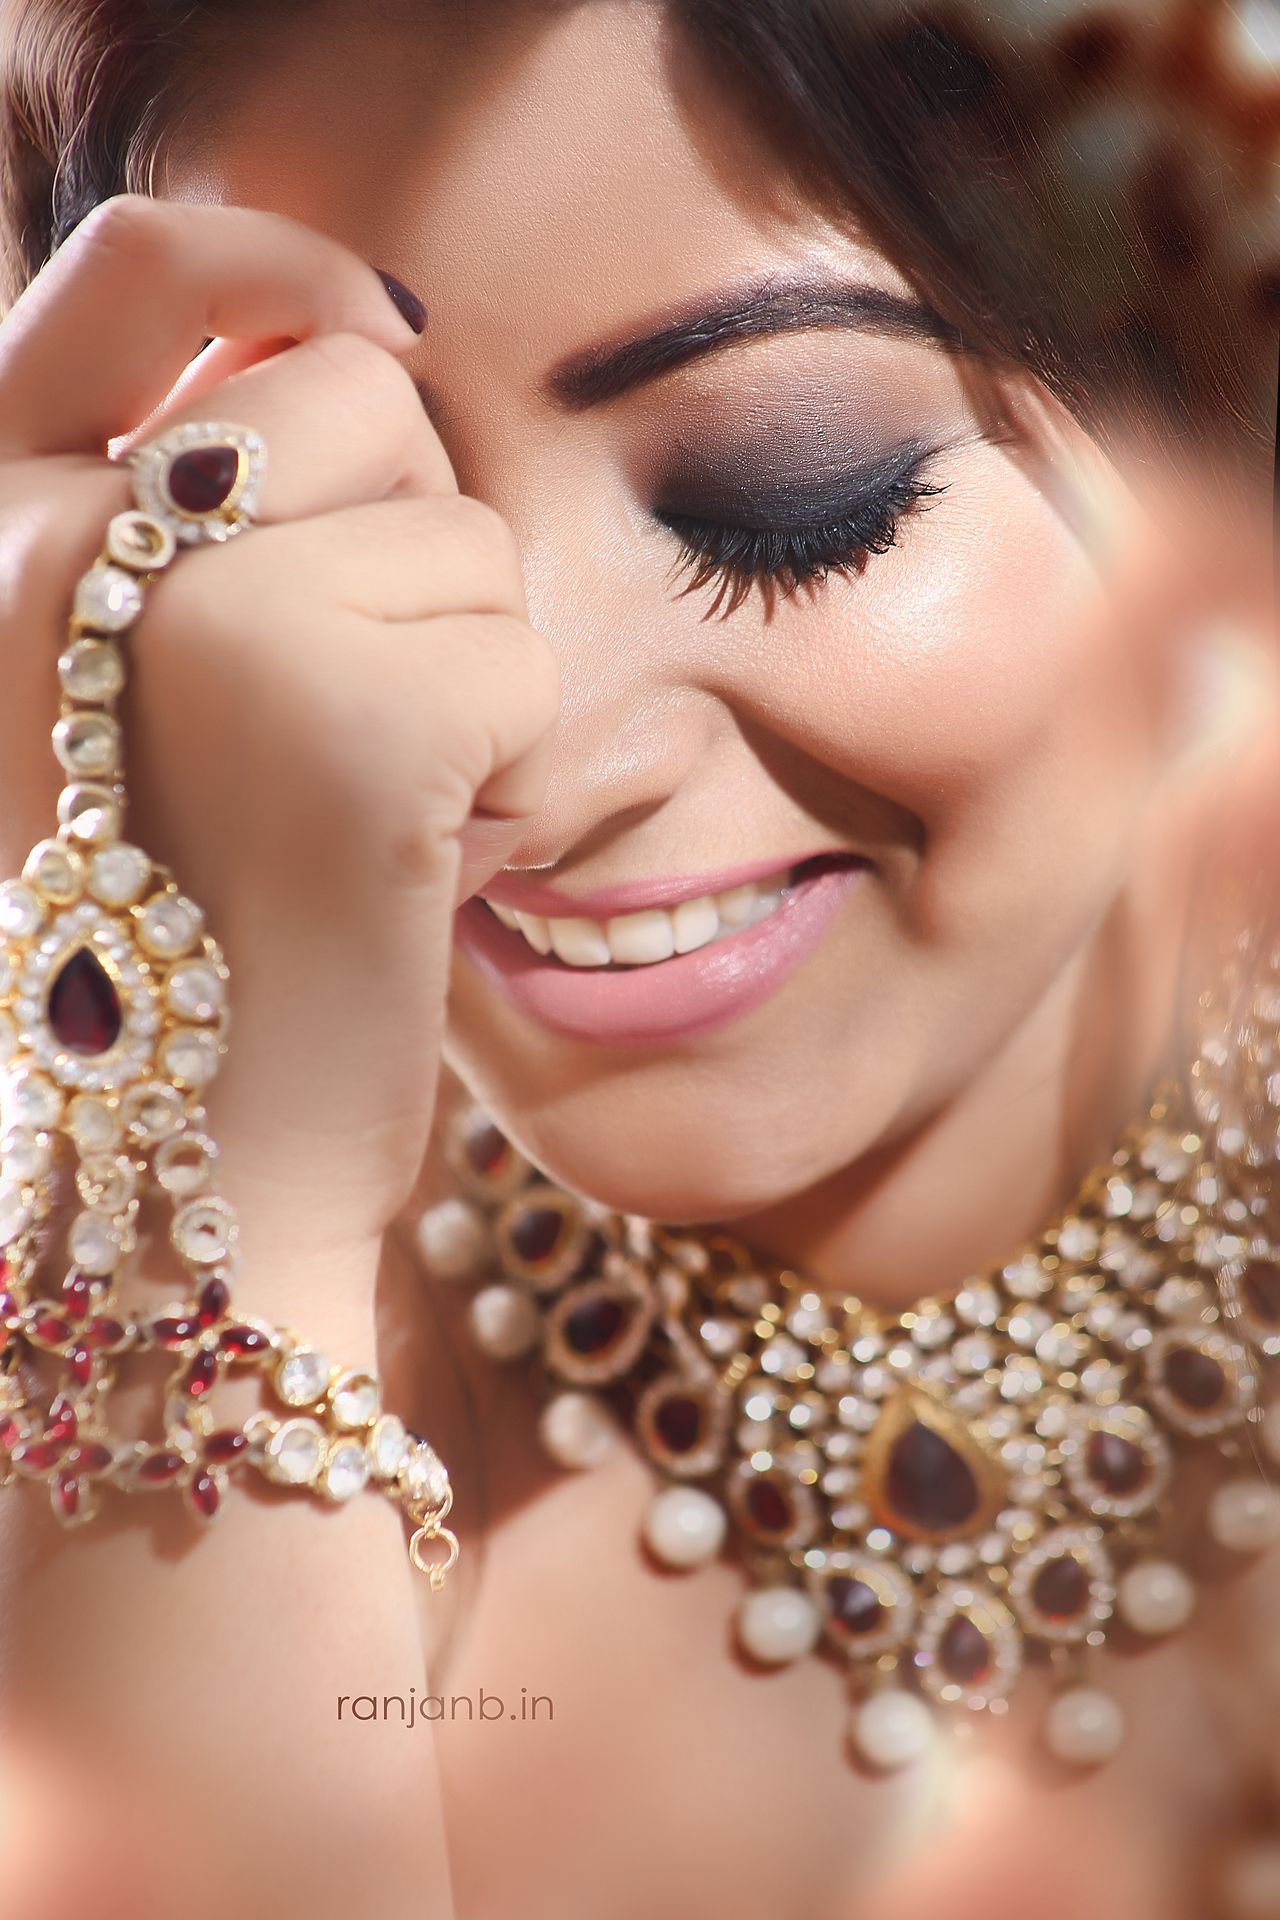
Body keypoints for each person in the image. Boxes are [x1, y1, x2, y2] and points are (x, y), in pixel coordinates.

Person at [0, 1, 1275, 1915]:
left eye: (792, 488)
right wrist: (205, 1170)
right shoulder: (152, 1350)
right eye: (349, 513)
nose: (525, 759)